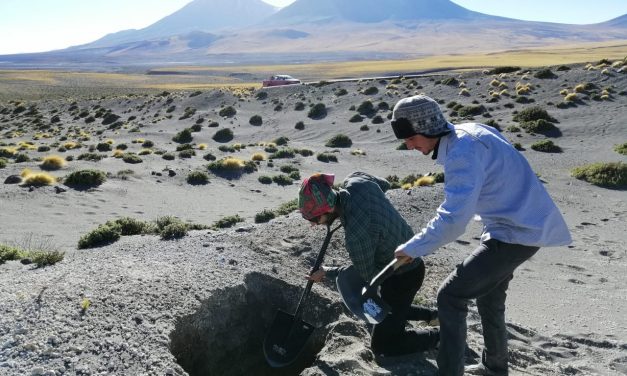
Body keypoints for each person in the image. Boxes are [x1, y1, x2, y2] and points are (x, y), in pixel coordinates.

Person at [389, 95, 572, 375]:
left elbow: (454, 219)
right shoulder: (470, 132)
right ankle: (495, 367)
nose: (410, 145)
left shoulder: (463, 152)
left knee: (450, 296)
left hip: (516, 233)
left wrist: (413, 247)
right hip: (517, 226)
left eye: (411, 137)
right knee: (489, 297)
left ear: (427, 128)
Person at [298, 171, 439, 359]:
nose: (313, 225)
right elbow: (384, 184)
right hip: (411, 253)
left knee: (383, 345)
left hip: (402, 276)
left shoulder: (356, 235)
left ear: (329, 209)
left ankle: (442, 336)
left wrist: (327, 272)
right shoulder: (355, 180)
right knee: (393, 309)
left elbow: (368, 277)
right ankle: (434, 316)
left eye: (315, 219)